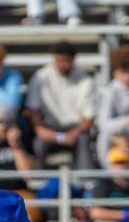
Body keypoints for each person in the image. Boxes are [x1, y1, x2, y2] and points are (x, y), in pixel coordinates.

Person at [25, 41, 97, 172]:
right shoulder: (40, 77)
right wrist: (41, 130)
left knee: (84, 140)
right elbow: (33, 111)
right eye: (59, 60)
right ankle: (37, 183)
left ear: (73, 59)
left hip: (76, 130)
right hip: (51, 129)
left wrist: (72, 134)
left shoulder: (86, 80)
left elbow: (89, 118)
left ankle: (88, 183)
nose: (62, 64)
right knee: (38, 144)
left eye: (66, 60)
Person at [96, 45, 129, 170]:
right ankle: (109, 171)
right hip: (114, 141)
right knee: (105, 137)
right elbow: (104, 125)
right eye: (125, 71)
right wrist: (125, 121)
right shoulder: (109, 92)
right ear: (116, 72)